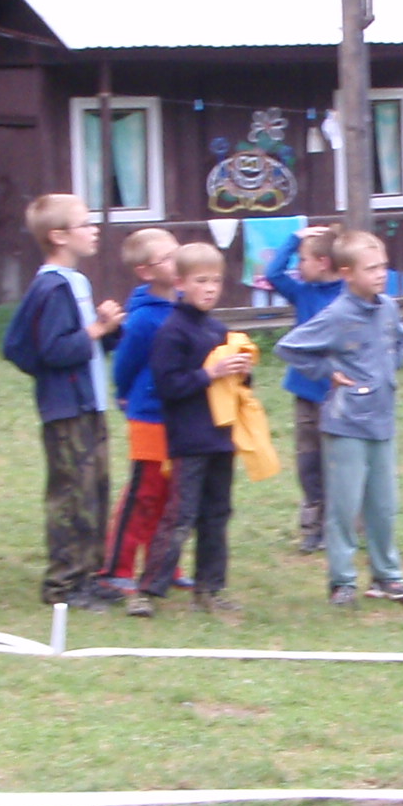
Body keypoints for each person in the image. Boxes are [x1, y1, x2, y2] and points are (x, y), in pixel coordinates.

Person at [277, 230, 403, 607]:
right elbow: (290, 347)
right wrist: (327, 371)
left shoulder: (388, 307)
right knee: (343, 507)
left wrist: (389, 369)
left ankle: (387, 577)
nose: (380, 274)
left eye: (383, 267)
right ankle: (342, 582)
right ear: (347, 273)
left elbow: (401, 338)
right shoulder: (337, 314)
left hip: (382, 421)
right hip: (345, 424)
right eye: (370, 269)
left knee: (383, 506)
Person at [2, 192, 126, 609]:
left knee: (93, 492)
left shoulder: (75, 282)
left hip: (89, 404)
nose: (94, 231)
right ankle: (63, 584)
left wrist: (107, 330)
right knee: (72, 495)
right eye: (85, 224)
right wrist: (96, 330)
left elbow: (83, 346)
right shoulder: (52, 287)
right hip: (67, 409)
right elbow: (53, 350)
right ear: (58, 236)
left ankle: (88, 575)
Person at [136, 242, 251, 616]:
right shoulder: (172, 331)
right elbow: (168, 385)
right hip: (188, 439)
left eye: (216, 281)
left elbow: (235, 387)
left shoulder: (218, 329)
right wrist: (209, 373)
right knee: (180, 516)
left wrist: (243, 373)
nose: (210, 288)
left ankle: (210, 590)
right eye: (201, 281)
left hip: (221, 438)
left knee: (217, 514)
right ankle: (147, 592)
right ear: (180, 283)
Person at [104, 227, 180, 594]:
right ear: (145, 272)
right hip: (148, 416)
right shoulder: (143, 319)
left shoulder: (185, 305)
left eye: (178, 253)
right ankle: (117, 568)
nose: (177, 262)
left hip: (180, 416)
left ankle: (164, 567)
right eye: (167, 258)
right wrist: (124, 396)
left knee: (172, 495)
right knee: (143, 494)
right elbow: (124, 365)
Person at [262, 225, 343, 551]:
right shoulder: (303, 292)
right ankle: (312, 528)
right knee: (309, 463)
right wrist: (295, 238)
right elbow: (272, 273)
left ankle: (342, 526)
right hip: (305, 392)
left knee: (339, 462)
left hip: (339, 393)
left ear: (323, 262)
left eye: (303, 260)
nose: (298, 267)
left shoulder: (348, 295)